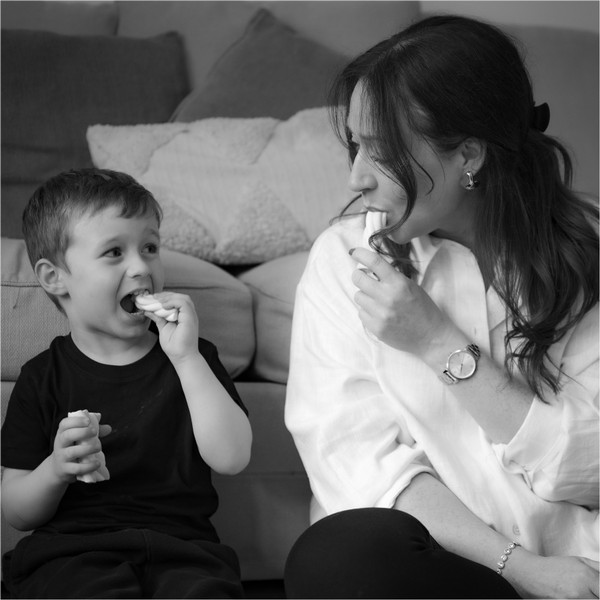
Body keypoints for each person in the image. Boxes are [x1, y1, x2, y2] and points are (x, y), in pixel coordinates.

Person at [284, 15, 599, 599]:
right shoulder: (342, 260)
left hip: (585, 568)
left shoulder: (584, 254)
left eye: (380, 152)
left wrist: (437, 342)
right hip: (447, 571)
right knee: (336, 556)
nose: (356, 177)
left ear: (469, 155)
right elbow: (359, 461)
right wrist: (524, 570)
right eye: (355, 145)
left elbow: (591, 465)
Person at [1, 168, 253, 599]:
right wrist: (56, 470)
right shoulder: (42, 378)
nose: (141, 267)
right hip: (73, 553)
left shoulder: (193, 357)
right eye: (114, 252)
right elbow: (17, 512)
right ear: (54, 277)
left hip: (184, 552)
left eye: (150, 248)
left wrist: (187, 359)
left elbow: (232, 458)